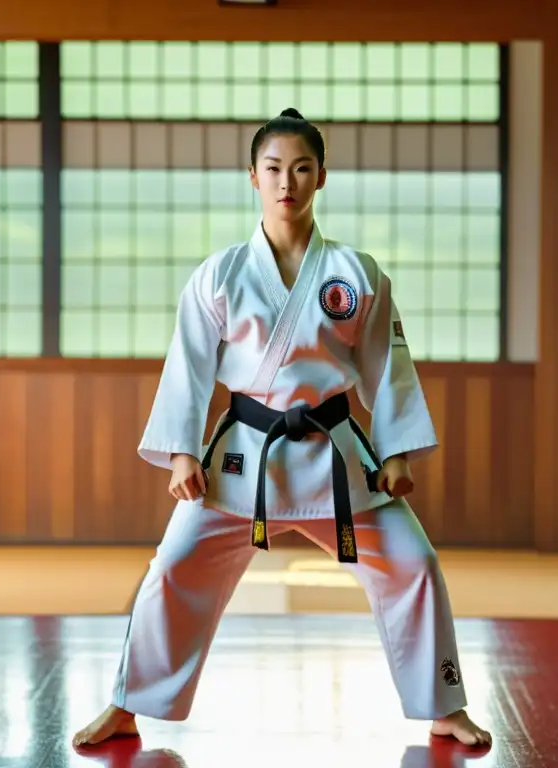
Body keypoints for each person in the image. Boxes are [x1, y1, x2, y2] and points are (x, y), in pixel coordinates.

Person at [72, 108, 492, 750]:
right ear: (252, 177)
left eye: (301, 168)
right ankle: (127, 705)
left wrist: (400, 452)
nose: (286, 182)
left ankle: (444, 706)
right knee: (173, 566)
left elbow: (386, 364)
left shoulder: (358, 273)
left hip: (335, 456)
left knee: (414, 563)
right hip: (245, 454)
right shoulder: (220, 274)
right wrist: (183, 453)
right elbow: (187, 365)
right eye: (273, 169)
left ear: (321, 176)